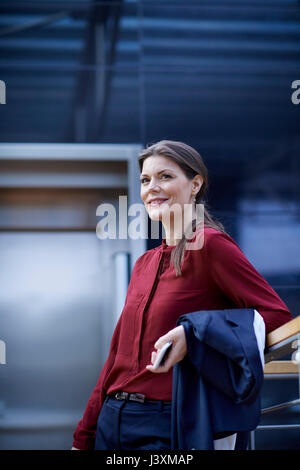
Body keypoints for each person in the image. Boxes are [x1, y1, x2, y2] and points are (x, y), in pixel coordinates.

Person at [72, 140, 292, 450]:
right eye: (146, 180)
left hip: (165, 422)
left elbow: (275, 317)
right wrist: (83, 436)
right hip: (112, 420)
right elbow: (115, 359)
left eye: (165, 177)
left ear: (195, 184)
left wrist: (194, 335)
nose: (152, 188)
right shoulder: (143, 264)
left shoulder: (211, 246)